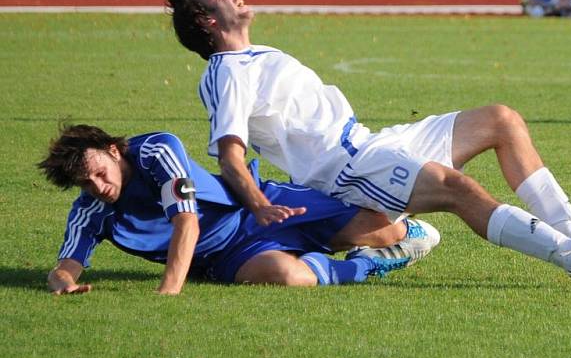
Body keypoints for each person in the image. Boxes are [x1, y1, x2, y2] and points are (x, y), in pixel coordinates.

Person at [165, 0, 571, 286]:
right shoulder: (228, 71)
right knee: (457, 189)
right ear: (208, 21)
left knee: (501, 120)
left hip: (371, 142)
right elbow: (229, 153)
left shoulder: (251, 56)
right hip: (344, 167)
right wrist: (260, 204)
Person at [39, 125, 440, 295]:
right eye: (85, 184)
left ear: (113, 150)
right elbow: (68, 261)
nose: (98, 187)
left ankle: (397, 238)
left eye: (99, 173)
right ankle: (368, 265)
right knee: (286, 276)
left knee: (380, 226)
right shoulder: (91, 209)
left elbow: (186, 220)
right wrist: (63, 282)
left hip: (257, 207)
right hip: (226, 256)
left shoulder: (156, 150)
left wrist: (169, 291)